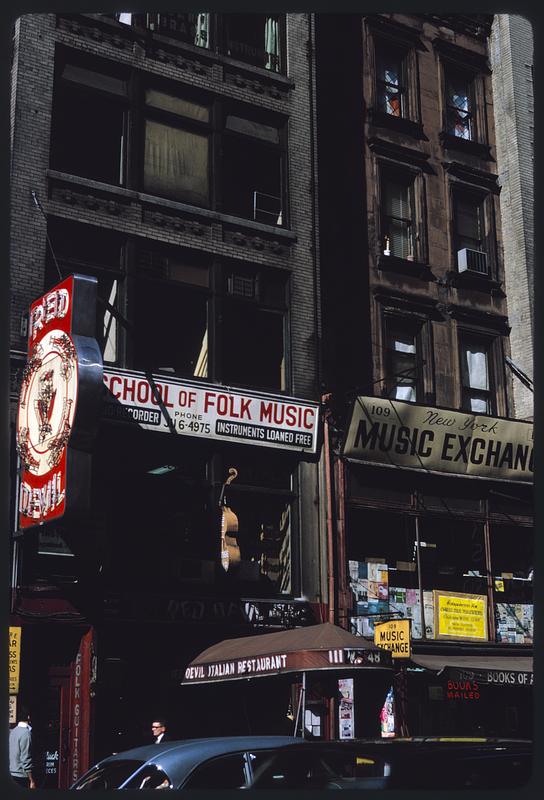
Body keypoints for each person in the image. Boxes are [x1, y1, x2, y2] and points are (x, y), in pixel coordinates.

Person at [10, 705, 36, 788]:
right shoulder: (26, 733)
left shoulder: (13, 731)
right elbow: (26, 759)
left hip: (11, 773)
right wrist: (31, 780)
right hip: (21, 776)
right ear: (28, 717)